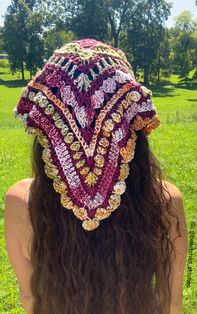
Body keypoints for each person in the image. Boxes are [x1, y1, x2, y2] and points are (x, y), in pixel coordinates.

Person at [4, 38, 187, 314]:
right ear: (131, 123)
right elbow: (172, 304)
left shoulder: (20, 202)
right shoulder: (165, 201)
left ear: (49, 129)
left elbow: (30, 300)